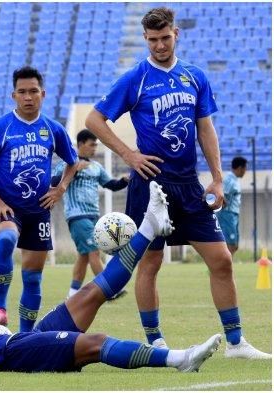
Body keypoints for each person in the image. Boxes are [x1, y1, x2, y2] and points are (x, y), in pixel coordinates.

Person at [0, 182, 222, 373]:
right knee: (95, 342)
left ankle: (149, 225)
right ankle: (179, 358)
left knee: (91, 293)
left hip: (20, 339)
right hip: (15, 354)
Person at [84, 7, 270, 359]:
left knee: (221, 260)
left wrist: (216, 178)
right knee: (151, 263)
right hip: (151, 184)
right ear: (145, 39)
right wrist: (130, 155)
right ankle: (155, 340)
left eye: (164, 38)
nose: (159, 45)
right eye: (152, 40)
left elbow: (205, 128)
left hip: (188, 185)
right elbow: (95, 119)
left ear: (176, 33)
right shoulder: (135, 78)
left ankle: (236, 343)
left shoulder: (194, 76)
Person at [0, 66, 79, 332]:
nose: (28, 97)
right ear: (14, 95)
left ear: (43, 94)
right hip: (8, 207)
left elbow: (73, 162)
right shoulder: (1, 128)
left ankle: (24, 336)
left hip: (39, 211)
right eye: (22, 92)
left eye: (33, 91)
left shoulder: (52, 129)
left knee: (32, 277)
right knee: (7, 239)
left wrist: (61, 188)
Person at [51, 129, 129, 299]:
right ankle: (109, 289)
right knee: (94, 252)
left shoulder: (96, 167)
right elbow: (54, 182)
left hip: (94, 216)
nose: (95, 148)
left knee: (84, 256)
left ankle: (72, 294)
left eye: (95, 145)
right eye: (91, 145)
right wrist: (75, 170)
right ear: (80, 145)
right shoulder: (68, 163)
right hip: (77, 216)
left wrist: (124, 181)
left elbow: (111, 185)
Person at [217, 156, 247, 255]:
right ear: (240, 168)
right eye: (245, 168)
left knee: (234, 245)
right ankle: (223, 269)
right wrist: (223, 212)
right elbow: (221, 196)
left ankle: (223, 269)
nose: (245, 171)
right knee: (230, 245)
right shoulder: (229, 179)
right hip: (227, 214)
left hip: (232, 215)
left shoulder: (234, 179)